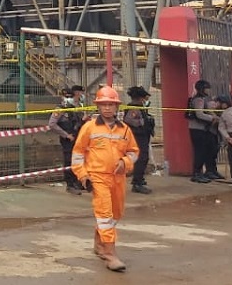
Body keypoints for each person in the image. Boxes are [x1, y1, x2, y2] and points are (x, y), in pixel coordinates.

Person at [70, 86, 139, 272]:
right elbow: (77, 154)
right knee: (105, 215)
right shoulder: (89, 128)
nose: (107, 108)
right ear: (98, 107)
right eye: (103, 105)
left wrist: (125, 162)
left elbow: (133, 152)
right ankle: (110, 254)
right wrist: (83, 175)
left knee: (115, 214)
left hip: (118, 178)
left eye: (111, 104)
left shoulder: (124, 130)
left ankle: (99, 244)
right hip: (97, 177)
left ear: (116, 107)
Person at [47, 87, 86, 195]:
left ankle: (78, 182)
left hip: (77, 137)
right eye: (66, 96)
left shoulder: (75, 108)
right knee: (69, 161)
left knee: (78, 160)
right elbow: (52, 124)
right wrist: (66, 135)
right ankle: (70, 185)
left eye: (70, 96)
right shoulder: (60, 109)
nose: (68, 98)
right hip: (68, 139)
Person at [187, 80, 222, 183]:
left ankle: (207, 171)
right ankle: (197, 174)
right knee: (199, 152)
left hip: (201, 129)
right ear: (202, 89)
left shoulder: (201, 99)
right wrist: (212, 118)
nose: (208, 90)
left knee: (205, 151)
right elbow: (199, 114)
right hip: (197, 129)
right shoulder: (198, 100)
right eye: (206, 88)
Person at [123, 86, 155, 194]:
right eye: (143, 97)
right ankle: (137, 183)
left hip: (142, 135)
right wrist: (142, 122)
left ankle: (139, 179)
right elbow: (128, 120)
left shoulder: (139, 106)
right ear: (139, 98)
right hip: (137, 136)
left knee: (144, 158)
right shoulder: (134, 107)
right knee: (141, 158)